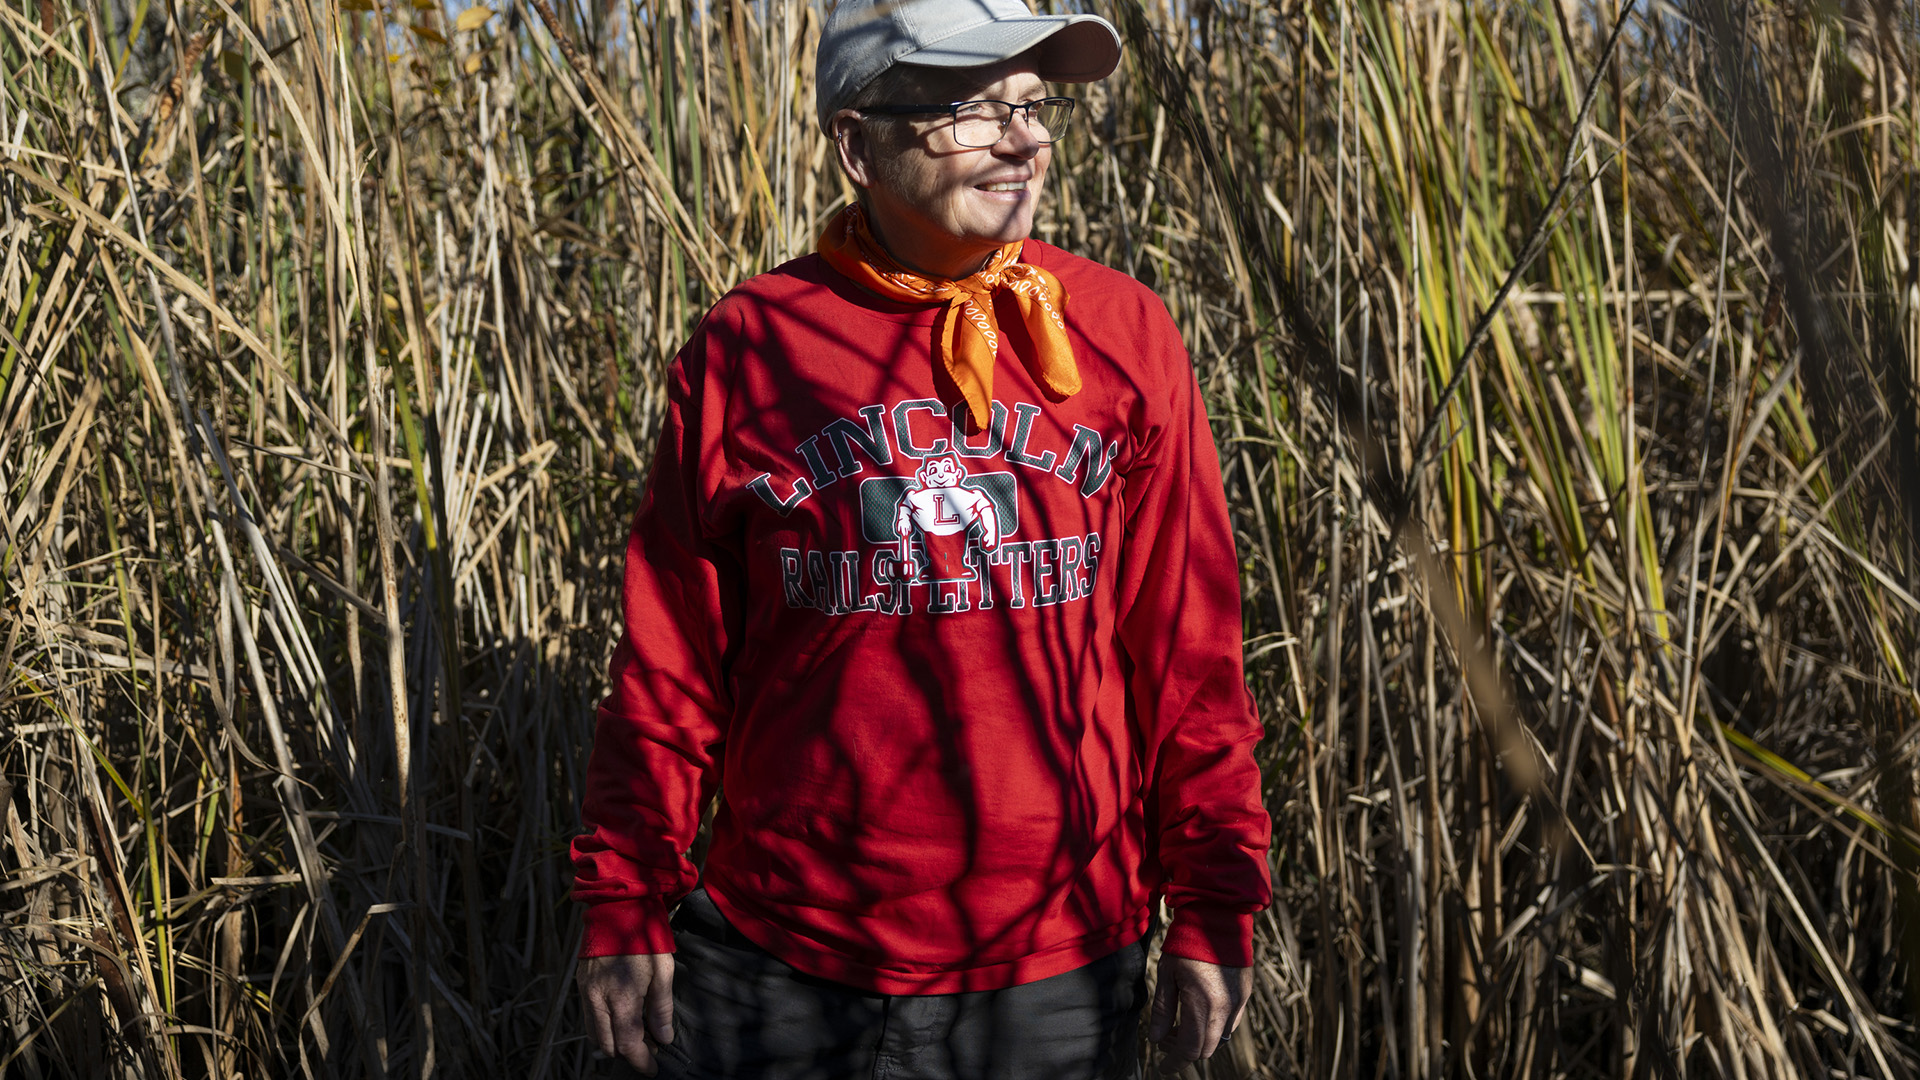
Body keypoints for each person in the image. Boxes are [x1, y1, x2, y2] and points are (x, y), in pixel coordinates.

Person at [572, 1, 1272, 1076]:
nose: (1023, 137)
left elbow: (1188, 657)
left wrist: (1216, 905)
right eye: (968, 104)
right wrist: (624, 900)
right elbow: (671, 664)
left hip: (1054, 972)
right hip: (781, 968)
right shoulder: (751, 348)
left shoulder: (1124, 336)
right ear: (857, 143)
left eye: (1032, 104)